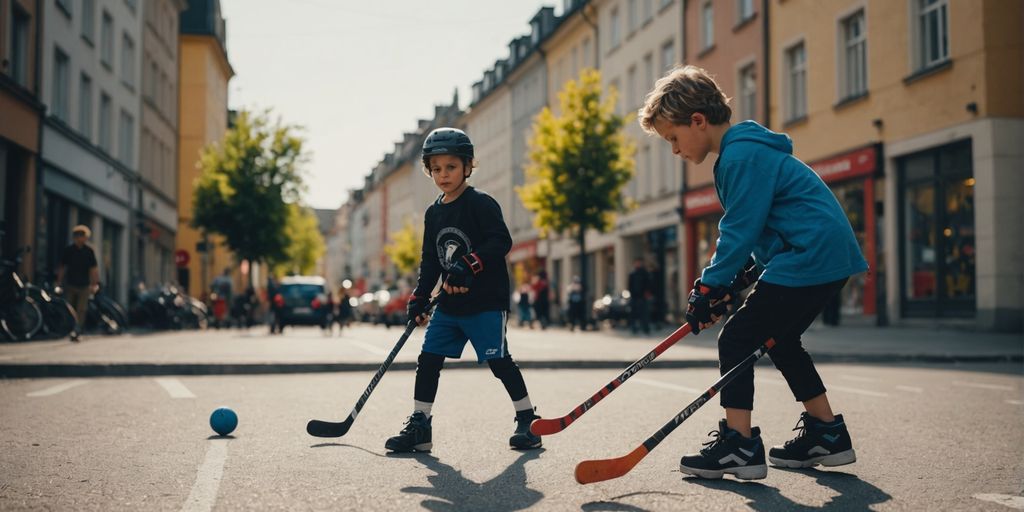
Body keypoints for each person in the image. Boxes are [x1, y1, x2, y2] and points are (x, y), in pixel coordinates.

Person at [639, 65, 868, 480]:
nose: (673, 149)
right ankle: (827, 434)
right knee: (778, 340)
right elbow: (764, 230)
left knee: (739, 336)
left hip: (809, 254)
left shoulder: (739, 157)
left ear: (697, 120)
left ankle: (739, 446)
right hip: (816, 252)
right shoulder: (744, 153)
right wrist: (735, 281)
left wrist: (709, 286)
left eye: (673, 137)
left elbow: (739, 230)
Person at [387, 127, 542, 453]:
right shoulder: (433, 212)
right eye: (436, 168)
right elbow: (431, 259)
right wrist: (419, 295)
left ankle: (528, 420)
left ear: (468, 167)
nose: (443, 175)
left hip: (485, 302)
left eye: (451, 167)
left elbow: (500, 241)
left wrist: (469, 264)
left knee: (499, 362)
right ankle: (420, 425)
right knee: (428, 360)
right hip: (450, 306)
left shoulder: (480, 203)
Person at [56, 225, 99, 340]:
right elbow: (63, 267)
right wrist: (58, 282)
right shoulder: (69, 250)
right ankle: (69, 328)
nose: (81, 239)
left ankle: (77, 329)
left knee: (81, 309)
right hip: (70, 283)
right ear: (75, 237)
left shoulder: (89, 251)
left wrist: (95, 283)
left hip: (84, 284)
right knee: (69, 308)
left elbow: (93, 268)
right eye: (78, 236)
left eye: (83, 236)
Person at [627, 258, 651, 334]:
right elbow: (630, 285)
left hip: (643, 297)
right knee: (633, 313)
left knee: (644, 313)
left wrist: (647, 293)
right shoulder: (632, 274)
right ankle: (634, 328)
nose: (638, 264)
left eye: (639, 263)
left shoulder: (645, 273)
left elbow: (648, 285)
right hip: (634, 296)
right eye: (636, 263)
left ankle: (645, 328)